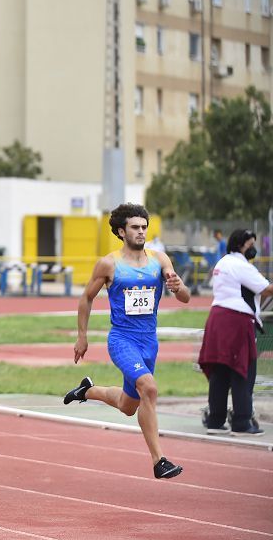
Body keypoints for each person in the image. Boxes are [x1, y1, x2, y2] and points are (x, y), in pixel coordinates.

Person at [64, 203, 189, 479]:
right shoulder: (109, 264)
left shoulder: (160, 260)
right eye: (135, 227)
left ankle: (87, 391)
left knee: (127, 405)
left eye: (144, 227)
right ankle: (159, 461)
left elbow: (185, 298)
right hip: (122, 339)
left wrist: (179, 287)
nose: (141, 232)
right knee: (149, 388)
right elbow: (86, 298)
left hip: (149, 342)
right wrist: (82, 336)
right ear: (122, 231)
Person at [198, 229, 271, 436]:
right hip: (237, 320)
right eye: (251, 244)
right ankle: (241, 421)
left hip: (216, 319)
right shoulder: (241, 265)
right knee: (243, 371)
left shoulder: (222, 262)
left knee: (219, 371)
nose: (253, 248)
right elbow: (265, 289)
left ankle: (216, 420)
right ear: (241, 245)